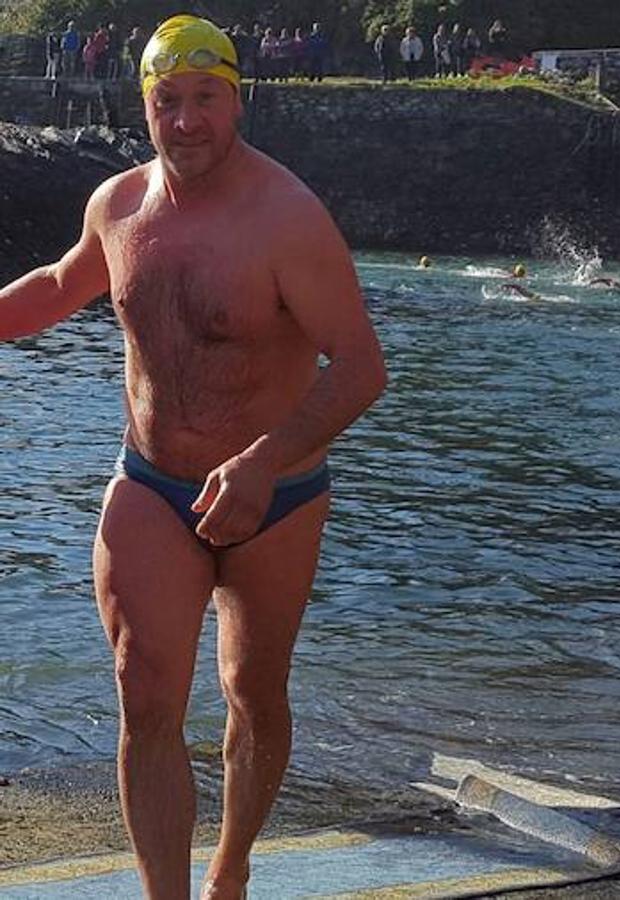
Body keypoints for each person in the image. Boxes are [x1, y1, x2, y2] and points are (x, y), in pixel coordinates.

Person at [0, 16, 387, 898]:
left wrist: (262, 461)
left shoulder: (288, 219)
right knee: (145, 692)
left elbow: (362, 368)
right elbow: (61, 286)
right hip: (152, 484)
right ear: (144, 105)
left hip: (277, 497)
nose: (185, 121)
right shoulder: (118, 206)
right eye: (166, 101)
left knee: (254, 693)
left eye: (204, 99)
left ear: (236, 98)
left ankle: (232, 868)